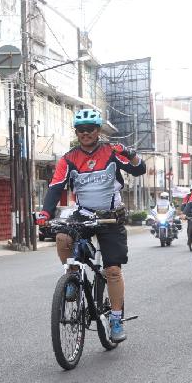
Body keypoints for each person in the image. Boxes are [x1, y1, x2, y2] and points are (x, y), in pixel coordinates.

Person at [34, 108, 146, 342]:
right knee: (62, 238)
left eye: (90, 129)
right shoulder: (68, 158)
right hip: (83, 214)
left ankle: (115, 319)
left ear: (98, 131)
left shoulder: (112, 152)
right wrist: (45, 212)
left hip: (110, 215)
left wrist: (129, 152)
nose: (86, 134)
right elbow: (55, 188)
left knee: (113, 271)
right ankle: (73, 276)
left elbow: (139, 169)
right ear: (77, 132)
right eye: (81, 130)